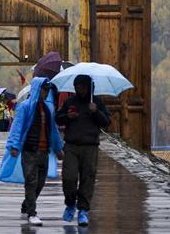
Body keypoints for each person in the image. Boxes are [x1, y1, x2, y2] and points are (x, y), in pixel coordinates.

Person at [0, 78, 64, 226]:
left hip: (44, 152)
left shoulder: (47, 109)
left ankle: (27, 203)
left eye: (48, 90)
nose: (46, 92)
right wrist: (14, 146)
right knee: (31, 181)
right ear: (37, 89)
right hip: (29, 151)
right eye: (44, 89)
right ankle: (32, 213)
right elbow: (17, 127)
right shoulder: (24, 107)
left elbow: (52, 130)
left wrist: (58, 148)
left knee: (40, 183)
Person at [55, 74, 111, 227]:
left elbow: (106, 122)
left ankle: (83, 211)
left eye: (84, 87)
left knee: (88, 179)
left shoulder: (97, 102)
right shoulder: (69, 102)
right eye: (78, 87)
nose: (81, 90)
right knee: (69, 178)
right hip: (71, 145)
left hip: (90, 146)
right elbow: (58, 118)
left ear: (89, 87)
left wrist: (96, 112)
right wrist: (67, 116)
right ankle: (70, 203)